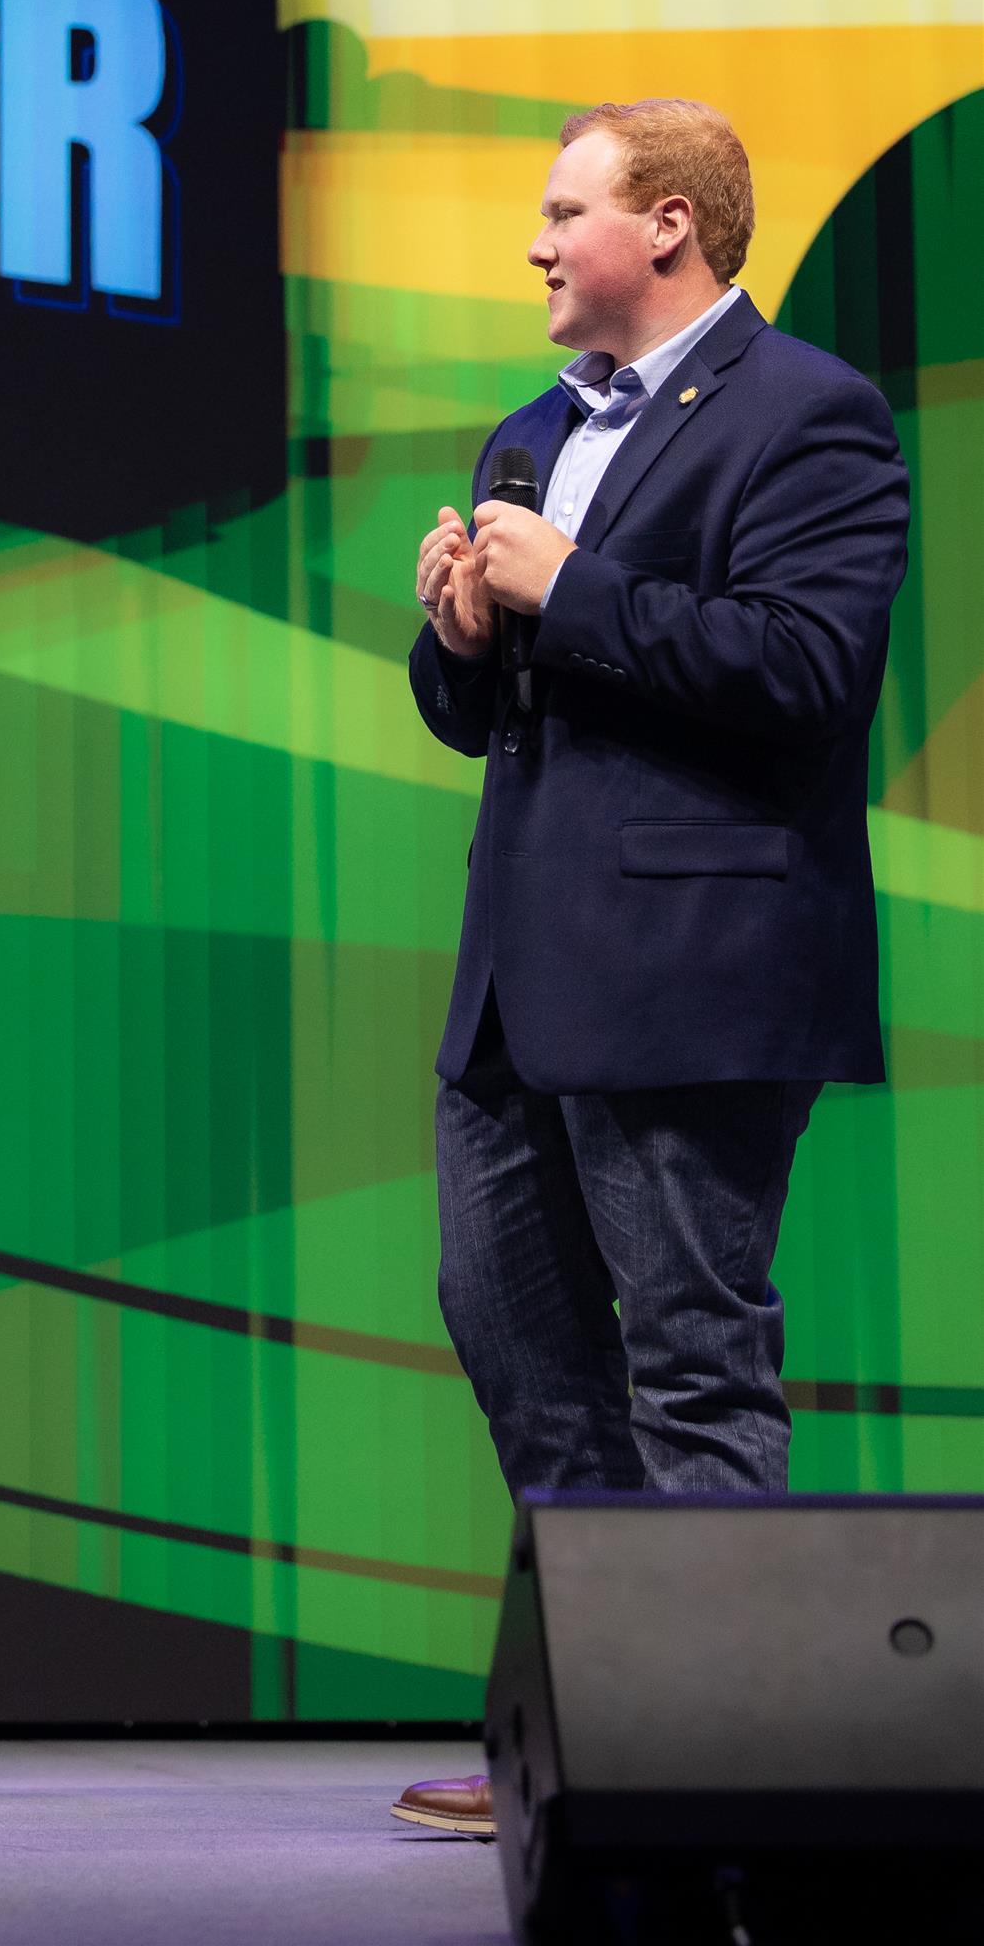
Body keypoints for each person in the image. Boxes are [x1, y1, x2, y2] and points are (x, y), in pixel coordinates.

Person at [391, 100, 909, 1840]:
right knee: (516, 1338)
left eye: (566, 211)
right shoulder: (533, 434)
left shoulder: (808, 413)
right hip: (518, 985)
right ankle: (603, 1725)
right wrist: (463, 633)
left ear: (670, 224)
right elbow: (490, 713)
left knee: (693, 1358)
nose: (537, 244)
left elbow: (810, 672)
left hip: (698, 975)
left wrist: (573, 587)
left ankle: (724, 1754)